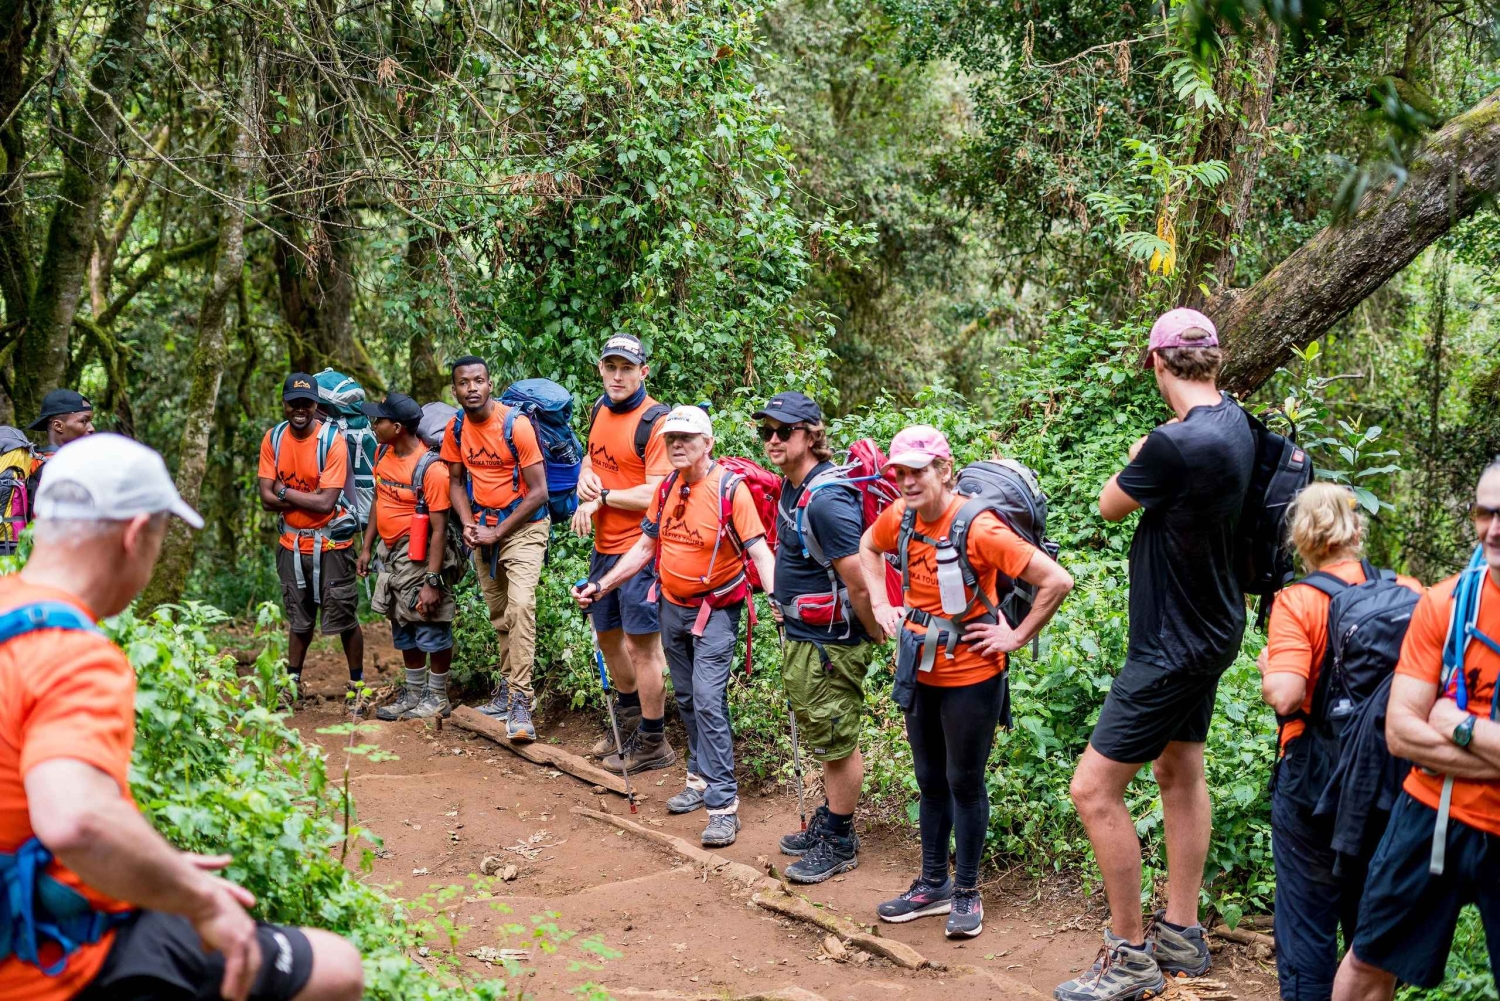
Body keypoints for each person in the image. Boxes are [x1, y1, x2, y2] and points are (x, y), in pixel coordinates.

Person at [0, 433, 364, 1001]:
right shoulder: (73, 655)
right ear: (134, 534)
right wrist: (198, 896)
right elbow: (76, 820)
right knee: (338, 966)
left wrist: (151, 865)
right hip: (51, 961)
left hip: (38, 898)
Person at [1057, 308, 1254, 1001]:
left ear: (1156, 365)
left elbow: (1110, 504)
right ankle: (1182, 930)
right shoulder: (1236, 421)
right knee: (1179, 767)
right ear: (1217, 363)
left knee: (1094, 788)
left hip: (1170, 643)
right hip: (1216, 625)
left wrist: (1147, 447)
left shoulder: (1170, 447)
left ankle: (1130, 952)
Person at [859, 424, 1072, 939]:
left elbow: (1056, 579)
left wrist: (1015, 636)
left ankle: (968, 893)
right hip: (919, 667)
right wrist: (884, 603)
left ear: (944, 470)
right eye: (900, 473)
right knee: (930, 781)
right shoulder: (901, 517)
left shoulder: (980, 527)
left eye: (918, 471)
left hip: (972, 675)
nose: (908, 481)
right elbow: (867, 546)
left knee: (964, 783)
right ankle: (933, 884)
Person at [1331, 460, 1500, 1001]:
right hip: (1429, 814)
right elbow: (1402, 733)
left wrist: (1462, 728)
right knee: (1366, 963)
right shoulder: (1445, 604)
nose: (1494, 528)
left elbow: (1427, 725)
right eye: (1484, 512)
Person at [571, 405, 775, 848]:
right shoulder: (666, 488)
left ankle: (723, 806)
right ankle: (699, 779)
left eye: (687, 438)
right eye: (672, 440)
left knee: (706, 698)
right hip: (671, 604)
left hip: (716, 610)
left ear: (708, 443)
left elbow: (759, 552)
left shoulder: (729, 490)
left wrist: (780, 600)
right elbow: (645, 547)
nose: (677, 445)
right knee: (685, 695)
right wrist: (601, 585)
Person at [1256, 483, 1423, 1001]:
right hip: (1391, 779)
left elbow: (1286, 695)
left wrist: (1267, 668)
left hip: (1316, 785)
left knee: (1307, 927)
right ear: (1357, 529)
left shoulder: (1298, 601)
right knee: (1369, 931)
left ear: (1300, 538)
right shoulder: (1412, 590)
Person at [757, 391, 882, 883]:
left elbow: (859, 581)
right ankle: (830, 821)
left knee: (836, 741)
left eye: (783, 431)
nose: (772, 439)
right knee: (824, 736)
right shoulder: (793, 486)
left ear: (810, 434)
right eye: (766, 431)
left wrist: (872, 636)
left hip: (832, 642)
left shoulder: (827, 500)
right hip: (806, 635)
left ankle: (841, 840)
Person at [570, 333, 674, 772]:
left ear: (643, 372)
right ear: (601, 369)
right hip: (604, 548)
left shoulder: (656, 422)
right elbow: (592, 460)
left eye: (627, 368)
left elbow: (658, 492)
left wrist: (604, 498)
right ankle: (629, 725)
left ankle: (655, 742)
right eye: (611, 367)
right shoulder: (598, 408)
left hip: (643, 551)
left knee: (640, 648)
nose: (618, 375)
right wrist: (583, 483)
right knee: (608, 639)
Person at [441, 355, 549, 741]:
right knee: (501, 612)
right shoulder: (455, 429)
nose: (471, 388)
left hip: (524, 527)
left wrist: (497, 531)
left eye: (478, 381)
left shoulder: (514, 426)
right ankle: (505, 690)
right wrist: (470, 523)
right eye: (463, 382)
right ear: (454, 389)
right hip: (483, 528)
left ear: (490, 384)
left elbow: (539, 492)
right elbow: (455, 481)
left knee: (521, 604)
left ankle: (521, 699)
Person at [256, 373, 364, 700]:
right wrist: (303, 496)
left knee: (344, 616)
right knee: (298, 618)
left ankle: (357, 685)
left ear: (316, 405)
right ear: (285, 404)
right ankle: (292, 685)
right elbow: (264, 499)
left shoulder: (332, 441)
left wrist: (284, 490)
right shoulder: (273, 439)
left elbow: (326, 503)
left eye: (306, 403)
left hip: (332, 544)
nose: (299, 409)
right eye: (293, 403)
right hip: (291, 545)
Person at [356, 392, 457, 722]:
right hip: (389, 555)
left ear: (397, 427)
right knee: (401, 623)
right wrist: (368, 547)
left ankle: (438, 697)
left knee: (429, 620)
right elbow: (377, 502)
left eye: (379, 420)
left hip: (419, 555)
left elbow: (440, 530)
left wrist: (432, 580)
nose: (374, 424)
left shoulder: (432, 469)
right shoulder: (384, 453)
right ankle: (414, 693)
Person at [26, 388, 95, 494]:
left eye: (90, 421)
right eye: (84, 421)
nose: (92, 428)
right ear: (58, 426)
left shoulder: (34, 462)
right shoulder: (61, 469)